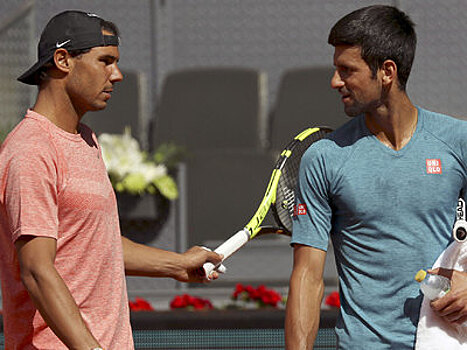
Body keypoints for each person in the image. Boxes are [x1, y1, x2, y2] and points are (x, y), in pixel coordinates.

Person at [0, 10, 223, 350]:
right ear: (62, 60)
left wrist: (177, 265)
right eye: (105, 61)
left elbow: (96, 244)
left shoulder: (87, 140)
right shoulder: (29, 151)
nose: (116, 75)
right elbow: (37, 271)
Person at [285, 5, 467, 349]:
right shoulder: (324, 158)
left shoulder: (458, 142)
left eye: (347, 70)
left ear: (387, 71)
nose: (335, 81)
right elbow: (307, 277)